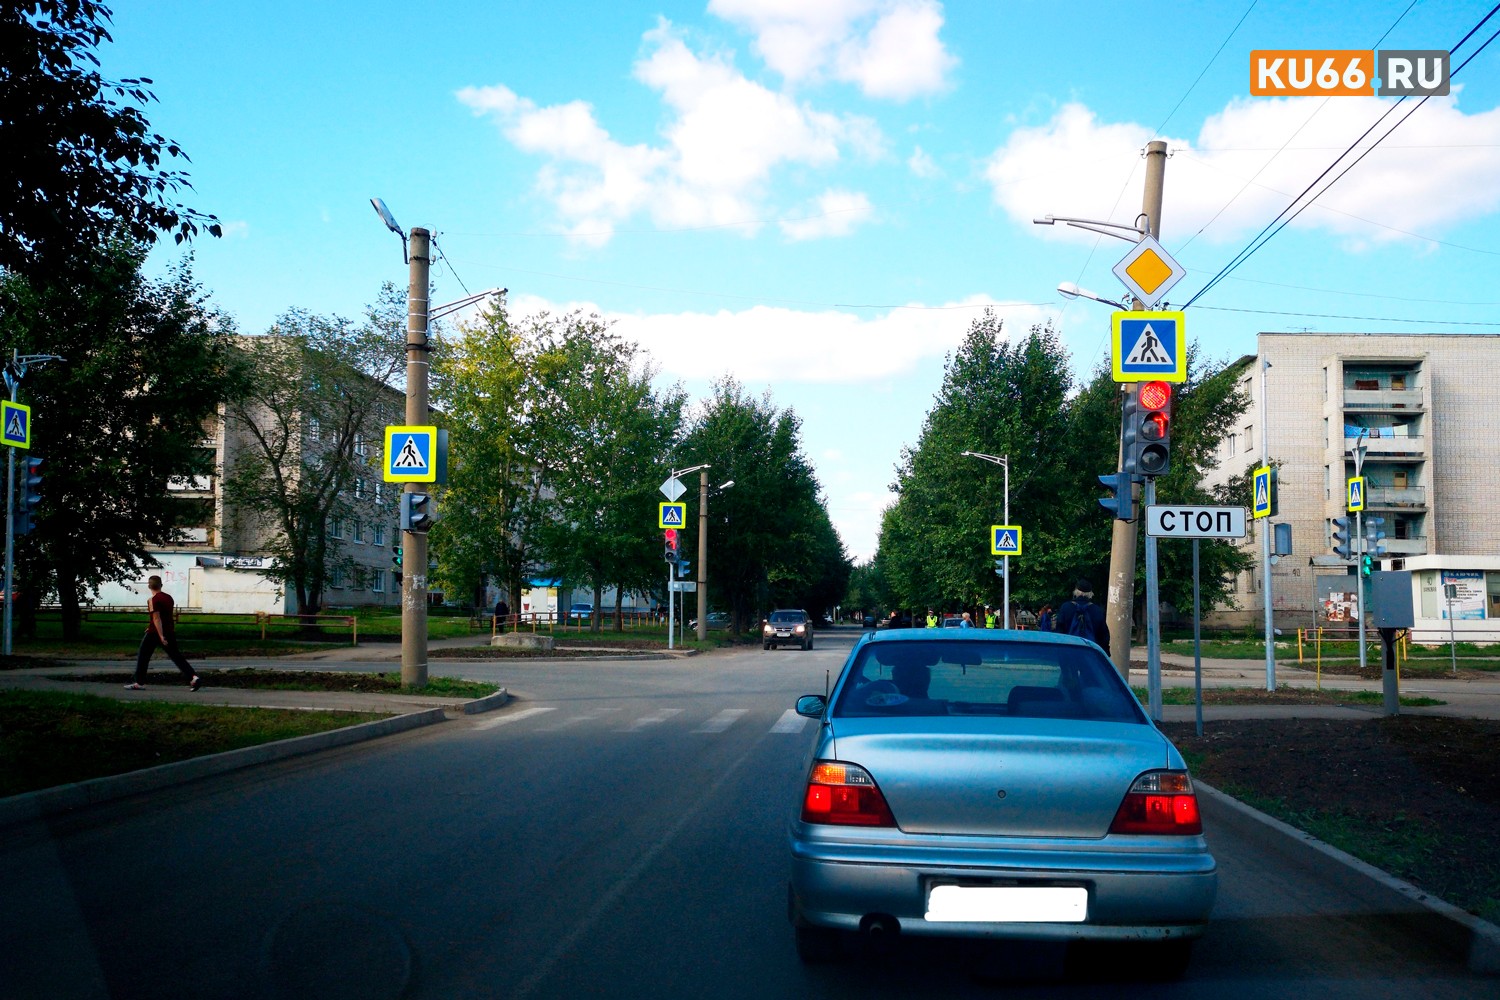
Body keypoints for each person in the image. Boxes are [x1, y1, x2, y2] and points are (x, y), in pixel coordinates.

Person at [125, 575, 199, 691]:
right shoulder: (168, 598)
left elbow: (157, 619)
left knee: (143, 656)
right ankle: (193, 677)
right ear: (161, 585)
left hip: (155, 633)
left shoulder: (152, 600)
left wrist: (160, 635)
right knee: (176, 656)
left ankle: (140, 682)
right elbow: (165, 616)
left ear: (149, 586)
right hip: (169, 631)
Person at [1053, 580, 1109, 648]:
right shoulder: (1097, 610)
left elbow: (1059, 631)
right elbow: (1103, 635)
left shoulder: (1066, 607)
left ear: (1076, 591)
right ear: (1090, 593)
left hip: (1069, 650)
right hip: (1090, 652)